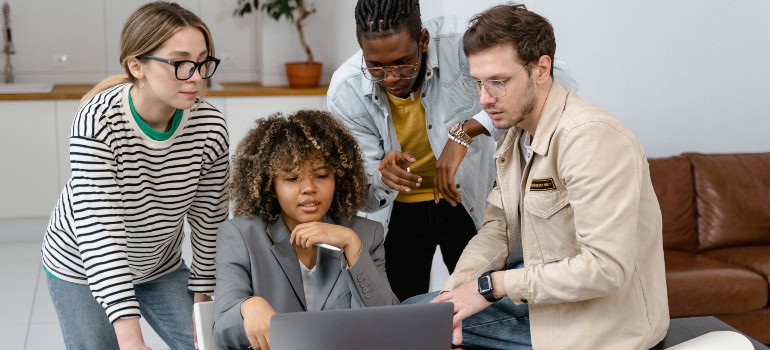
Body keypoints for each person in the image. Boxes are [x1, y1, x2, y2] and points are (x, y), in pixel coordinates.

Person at [409, 4, 670, 350]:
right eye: (479, 83)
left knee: (411, 328)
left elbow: (606, 269)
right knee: (421, 316)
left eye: (499, 82)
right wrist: (452, 295)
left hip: (601, 327)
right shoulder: (516, 136)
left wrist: (492, 286)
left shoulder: (590, 137)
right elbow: (498, 230)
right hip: (545, 306)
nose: (484, 100)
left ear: (541, 68)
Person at [327, 0, 577, 301]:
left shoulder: (464, 44)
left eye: (402, 62)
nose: (391, 77)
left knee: (485, 302)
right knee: (400, 310)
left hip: (468, 197)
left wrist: (468, 130)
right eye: (376, 66)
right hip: (399, 213)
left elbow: (558, 80)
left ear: (422, 41)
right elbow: (363, 197)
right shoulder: (346, 90)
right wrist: (382, 179)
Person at [40, 2, 229, 349]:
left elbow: (210, 219)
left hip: (159, 265)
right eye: (181, 63)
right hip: (82, 265)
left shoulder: (210, 125)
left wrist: (204, 300)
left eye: (203, 62)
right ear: (136, 66)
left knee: (210, 343)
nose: (197, 76)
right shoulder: (97, 122)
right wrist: (131, 338)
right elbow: (101, 233)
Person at [213, 110, 399, 350]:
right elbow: (222, 333)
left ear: (338, 178)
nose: (309, 188)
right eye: (292, 178)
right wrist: (247, 307)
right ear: (270, 185)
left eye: (322, 175)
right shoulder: (240, 235)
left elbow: (388, 327)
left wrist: (352, 247)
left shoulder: (365, 235)